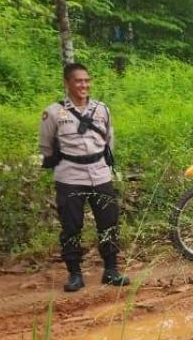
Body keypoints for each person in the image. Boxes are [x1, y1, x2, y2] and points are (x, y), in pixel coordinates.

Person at [38, 63, 129, 292]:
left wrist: (101, 163)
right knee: (71, 227)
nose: (84, 85)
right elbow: (46, 146)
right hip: (69, 176)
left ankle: (111, 270)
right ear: (67, 83)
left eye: (87, 80)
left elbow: (109, 140)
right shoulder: (54, 113)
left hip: (99, 174)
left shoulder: (101, 109)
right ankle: (75, 274)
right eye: (78, 81)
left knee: (108, 223)